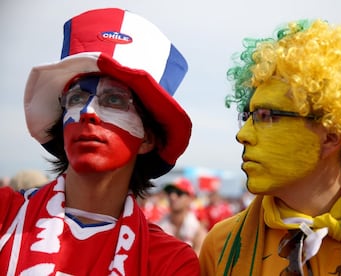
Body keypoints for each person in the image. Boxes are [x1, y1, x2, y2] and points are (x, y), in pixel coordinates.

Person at [199, 19, 341, 275]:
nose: (243, 135)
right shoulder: (220, 246)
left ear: (331, 136)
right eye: (248, 116)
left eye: (266, 116)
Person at [0, 8, 200, 275]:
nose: (87, 113)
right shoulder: (5, 216)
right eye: (77, 98)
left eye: (114, 100)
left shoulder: (168, 261)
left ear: (147, 138)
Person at [158, 178, 207, 256]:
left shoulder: (198, 231)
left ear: (190, 198)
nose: (172, 197)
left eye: (179, 193)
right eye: (169, 192)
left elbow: (197, 263)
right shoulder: (159, 227)